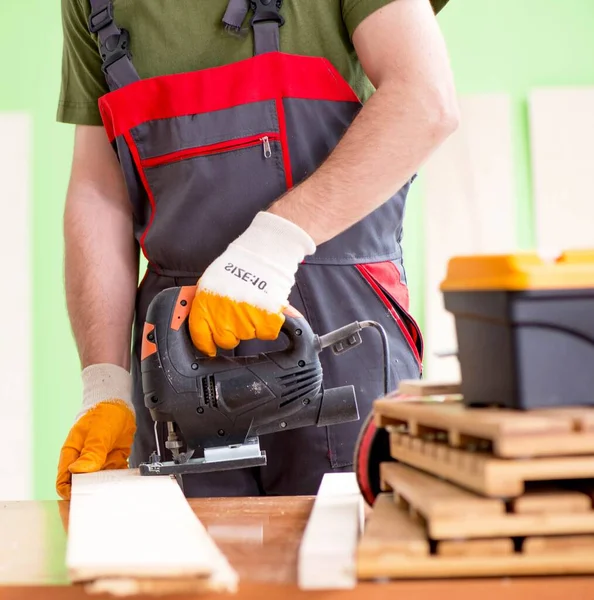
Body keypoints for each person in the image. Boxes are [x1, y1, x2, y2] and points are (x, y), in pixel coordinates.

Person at [55, 0, 458, 500]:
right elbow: (99, 193)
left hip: (337, 322)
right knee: (182, 561)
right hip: (179, 350)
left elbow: (424, 100)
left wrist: (268, 251)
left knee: (353, 556)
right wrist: (105, 385)